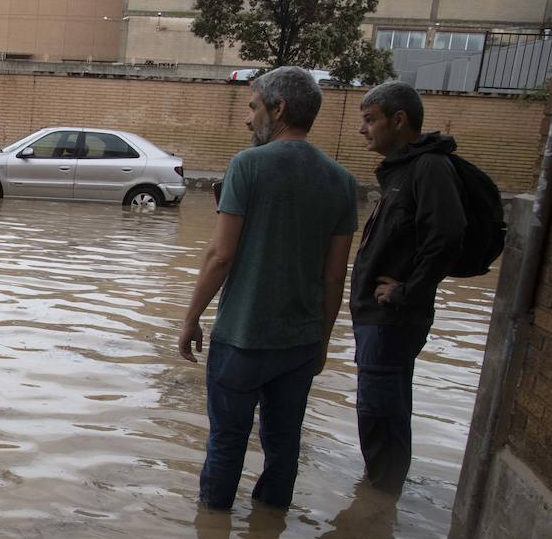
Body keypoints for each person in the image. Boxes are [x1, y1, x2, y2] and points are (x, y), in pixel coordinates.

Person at [178, 67, 358, 510]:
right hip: (299, 342)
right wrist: (323, 342)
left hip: (242, 337)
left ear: (278, 109)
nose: (248, 119)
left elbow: (221, 256)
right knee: (283, 445)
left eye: (254, 107)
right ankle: (268, 533)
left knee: (227, 441)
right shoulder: (342, 182)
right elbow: (335, 276)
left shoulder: (247, 165)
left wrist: (190, 318)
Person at [351, 82, 465, 489]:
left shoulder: (428, 168)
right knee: (384, 410)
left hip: (391, 319)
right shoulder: (403, 170)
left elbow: (448, 235)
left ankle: (379, 507)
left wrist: (406, 291)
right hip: (379, 319)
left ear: (399, 121)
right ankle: (381, 500)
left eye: (369, 120)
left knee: (380, 412)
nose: (362, 130)